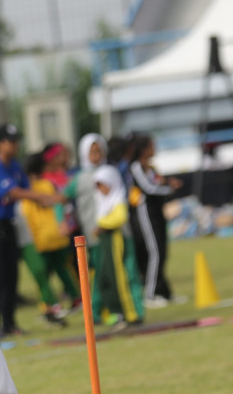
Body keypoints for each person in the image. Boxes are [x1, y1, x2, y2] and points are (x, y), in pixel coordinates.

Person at [0, 124, 57, 336]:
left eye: (16, 140)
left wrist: (48, 196)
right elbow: (15, 192)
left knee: (11, 277)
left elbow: (27, 188)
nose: (15, 144)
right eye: (10, 141)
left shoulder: (15, 166)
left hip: (7, 227)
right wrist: (42, 197)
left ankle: (9, 324)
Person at [19, 152, 79, 325]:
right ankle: (75, 298)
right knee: (62, 269)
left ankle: (51, 306)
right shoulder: (47, 185)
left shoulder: (29, 190)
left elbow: (29, 215)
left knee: (41, 274)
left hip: (41, 238)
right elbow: (58, 205)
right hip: (56, 236)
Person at [128, 135, 181, 306]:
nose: (154, 149)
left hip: (157, 212)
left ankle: (164, 292)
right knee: (154, 252)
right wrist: (168, 189)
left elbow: (158, 183)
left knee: (162, 251)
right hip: (145, 214)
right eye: (152, 146)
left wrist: (167, 184)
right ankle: (150, 294)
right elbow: (148, 188)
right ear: (143, 148)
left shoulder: (150, 167)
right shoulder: (136, 167)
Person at [94, 163, 143, 327]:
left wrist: (101, 223)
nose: (101, 189)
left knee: (122, 277)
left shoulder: (118, 197)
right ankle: (117, 312)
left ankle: (131, 313)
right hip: (106, 242)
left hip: (117, 239)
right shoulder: (103, 201)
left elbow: (120, 218)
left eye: (103, 185)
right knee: (108, 277)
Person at [73, 133, 108, 316]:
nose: (96, 155)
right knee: (97, 272)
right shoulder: (80, 177)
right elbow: (63, 198)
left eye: (99, 150)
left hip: (109, 230)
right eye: (92, 151)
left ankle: (102, 308)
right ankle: (94, 311)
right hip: (91, 233)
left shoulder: (108, 171)